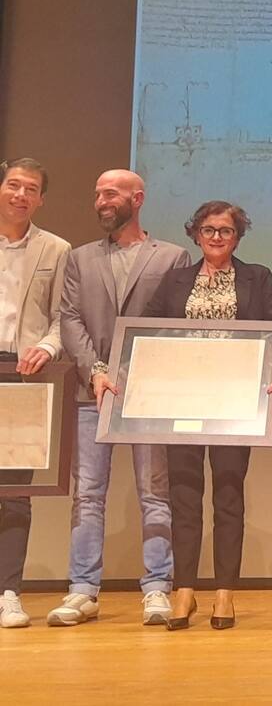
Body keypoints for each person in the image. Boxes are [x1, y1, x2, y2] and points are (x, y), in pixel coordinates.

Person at [143, 201, 272, 630]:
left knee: (228, 494)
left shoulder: (257, 277)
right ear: (196, 234)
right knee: (184, 495)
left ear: (237, 237)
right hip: (181, 402)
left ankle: (225, 592)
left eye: (226, 231)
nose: (216, 237)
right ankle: (185, 590)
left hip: (235, 402)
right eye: (208, 229)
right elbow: (144, 329)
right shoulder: (175, 280)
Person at [52, 169, 190, 627]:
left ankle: (157, 587)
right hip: (91, 393)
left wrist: (139, 372)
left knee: (155, 494)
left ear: (138, 198)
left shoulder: (172, 256)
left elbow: (175, 325)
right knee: (88, 495)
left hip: (149, 395)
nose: (101, 201)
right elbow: (70, 318)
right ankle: (82, 590)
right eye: (97, 194)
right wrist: (95, 370)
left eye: (110, 193)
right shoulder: (80, 257)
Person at [0, 158, 70, 629]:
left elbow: (65, 316)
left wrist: (46, 347)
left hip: (22, 374)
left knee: (14, 492)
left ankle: (8, 592)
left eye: (30, 189)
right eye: (13, 185)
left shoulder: (56, 248)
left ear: (41, 199)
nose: (20, 195)